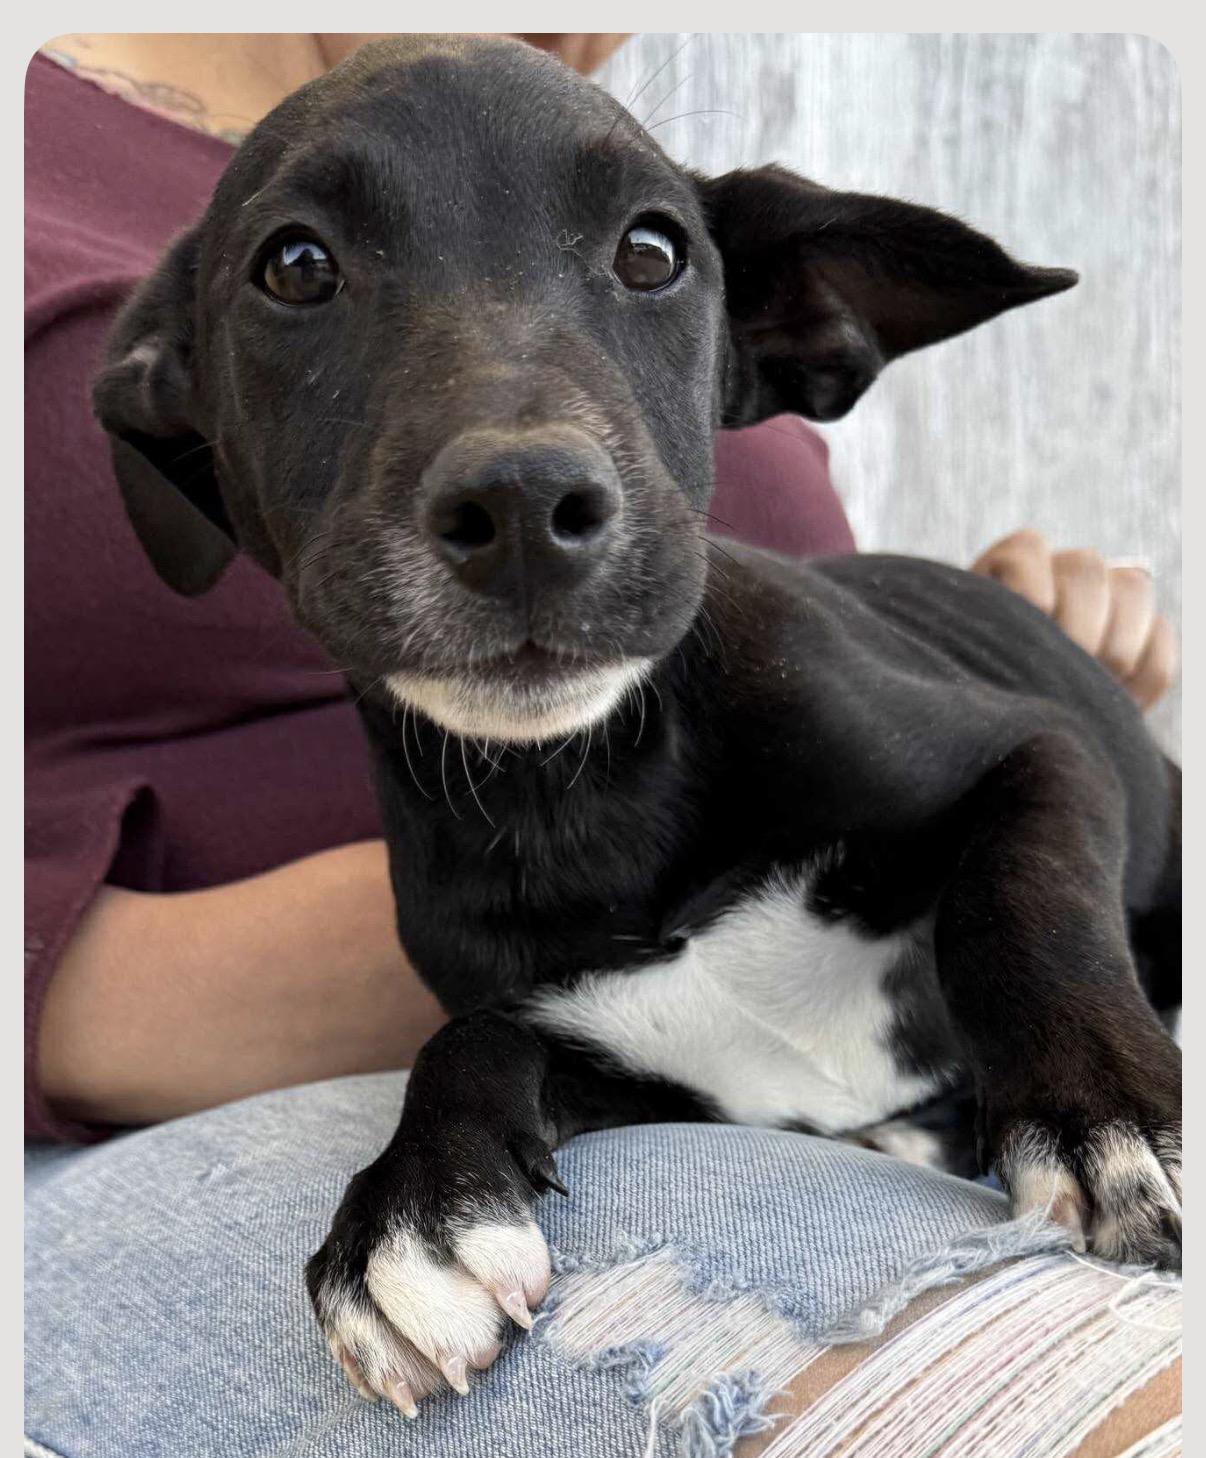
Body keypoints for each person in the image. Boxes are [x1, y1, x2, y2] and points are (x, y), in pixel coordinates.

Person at [25, 34, 1181, 1458]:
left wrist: (1021, 635)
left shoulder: (716, 396)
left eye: (643, 256)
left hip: (984, 929)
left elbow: (1008, 753)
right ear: (175, 403)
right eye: (300, 274)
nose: (525, 457)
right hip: (224, 1098)